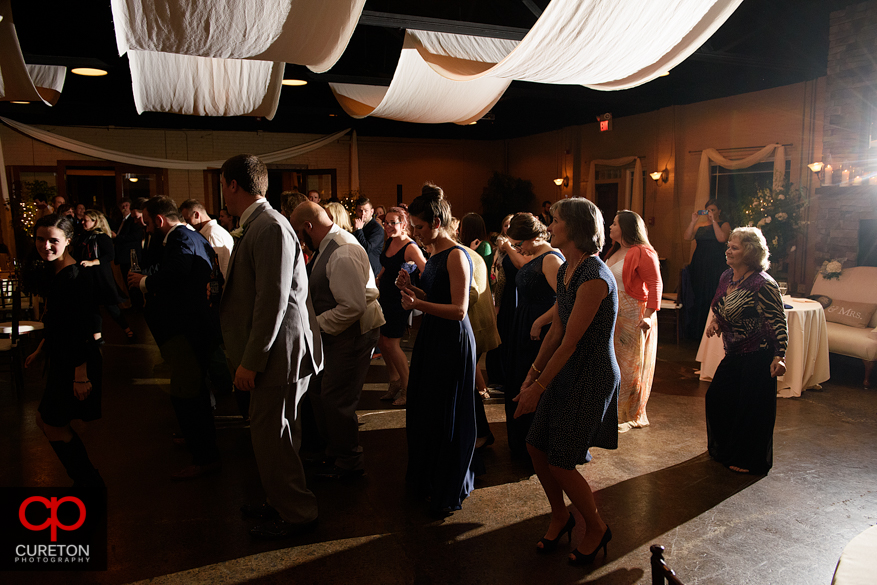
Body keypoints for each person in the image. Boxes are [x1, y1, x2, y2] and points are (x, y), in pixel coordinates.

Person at [218, 154, 323, 539]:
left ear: (232, 184)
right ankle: (283, 500)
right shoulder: (263, 224)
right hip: (279, 353)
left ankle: (297, 512)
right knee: (279, 436)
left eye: (223, 185)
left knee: (273, 437)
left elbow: (273, 300)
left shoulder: (270, 226)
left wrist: (250, 361)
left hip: (278, 355)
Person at [514, 198, 619, 566]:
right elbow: (556, 330)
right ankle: (561, 515)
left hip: (591, 374)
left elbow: (572, 341)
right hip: (564, 370)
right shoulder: (566, 270)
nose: (550, 226)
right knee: (536, 447)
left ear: (573, 228)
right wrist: (531, 374)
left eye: (555, 221)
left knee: (561, 460)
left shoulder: (594, 276)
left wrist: (537, 389)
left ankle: (596, 526)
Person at [127, 197, 221, 481]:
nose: (144, 226)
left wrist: (144, 283)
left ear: (158, 220)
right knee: (189, 391)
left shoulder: (180, 237)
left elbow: (178, 271)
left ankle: (204, 456)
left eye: (146, 221)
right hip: (190, 329)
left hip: (187, 331)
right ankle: (197, 444)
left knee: (191, 394)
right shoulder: (187, 235)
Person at [396, 183, 476, 516]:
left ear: (437, 224)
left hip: (452, 340)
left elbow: (459, 310)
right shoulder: (433, 255)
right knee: (424, 408)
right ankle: (428, 478)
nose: (414, 232)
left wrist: (418, 304)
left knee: (445, 412)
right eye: (413, 226)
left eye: (419, 227)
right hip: (433, 337)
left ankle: (447, 482)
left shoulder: (456, 254)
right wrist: (412, 288)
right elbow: (435, 299)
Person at [291, 202, 384, 480]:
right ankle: (335, 451)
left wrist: (310, 327)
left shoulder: (342, 251)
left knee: (337, 399)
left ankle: (349, 461)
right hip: (337, 335)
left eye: (299, 232)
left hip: (353, 335)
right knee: (322, 393)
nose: (298, 240)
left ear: (308, 227)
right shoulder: (327, 246)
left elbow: (352, 307)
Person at [25, 214, 104, 488]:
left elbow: (83, 327)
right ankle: (86, 481)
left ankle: (89, 483)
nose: (45, 245)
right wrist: (40, 349)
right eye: (40, 239)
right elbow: (57, 322)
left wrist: (80, 375)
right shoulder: (55, 272)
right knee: (45, 420)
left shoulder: (76, 276)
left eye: (53, 241)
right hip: (62, 357)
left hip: (75, 361)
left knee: (53, 423)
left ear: (68, 241)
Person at [705, 227, 787, 475]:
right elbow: (725, 307)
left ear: (749, 252)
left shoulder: (763, 283)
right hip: (733, 352)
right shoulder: (727, 277)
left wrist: (779, 355)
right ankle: (728, 448)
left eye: (734, 247)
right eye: (728, 246)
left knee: (750, 410)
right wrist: (718, 321)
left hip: (758, 354)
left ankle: (748, 458)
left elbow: (778, 320)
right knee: (719, 400)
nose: (728, 250)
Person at [504, 213, 563, 457]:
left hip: (540, 327)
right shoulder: (536, 255)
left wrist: (540, 321)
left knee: (532, 380)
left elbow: (565, 299)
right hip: (525, 321)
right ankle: (523, 442)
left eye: (520, 243)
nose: (518, 248)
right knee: (518, 376)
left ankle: (537, 445)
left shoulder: (551, 259)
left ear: (535, 237)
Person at [603, 211, 662, 432]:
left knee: (630, 367)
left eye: (615, 223)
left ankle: (627, 415)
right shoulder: (615, 250)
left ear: (627, 227)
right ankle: (610, 410)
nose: (610, 226)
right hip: (612, 315)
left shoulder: (643, 252)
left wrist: (648, 315)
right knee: (613, 362)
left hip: (633, 316)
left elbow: (655, 285)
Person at [375, 206, 426, 405]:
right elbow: (387, 265)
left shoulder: (410, 246)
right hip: (384, 296)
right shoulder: (390, 242)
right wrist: (378, 278)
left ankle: (408, 388)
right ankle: (394, 381)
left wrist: (414, 286)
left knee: (391, 343)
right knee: (381, 340)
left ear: (404, 224)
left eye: (392, 222)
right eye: (386, 222)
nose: (387, 226)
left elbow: (425, 270)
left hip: (399, 300)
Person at [76, 210, 135, 341]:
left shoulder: (102, 237)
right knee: (92, 306)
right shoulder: (84, 236)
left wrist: (92, 262)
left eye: (86, 220)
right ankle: (97, 335)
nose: (83, 222)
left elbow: (110, 255)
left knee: (111, 306)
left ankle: (127, 329)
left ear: (95, 221)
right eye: (83, 220)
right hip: (87, 276)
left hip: (101, 275)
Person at [683, 198, 731, 339]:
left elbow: (722, 238)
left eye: (713, 210)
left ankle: (712, 326)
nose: (710, 212)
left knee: (712, 293)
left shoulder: (724, 224)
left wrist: (714, 220)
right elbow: (687, 237)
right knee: (698, 293)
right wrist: (693, 221)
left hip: (715, 264)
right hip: (699, 263)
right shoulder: (700, 225)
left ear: (719, 211)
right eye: (708, 210)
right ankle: (695, 331)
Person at [179, 199, 234, 279]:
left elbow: (217, 268)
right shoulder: (214, 231)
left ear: (196, 215)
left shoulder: (211, 234)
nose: (187, 224)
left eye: (187, 220)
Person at [114, 197, 144, 289]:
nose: (124, 208)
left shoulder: (134, 220)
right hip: (122, 256)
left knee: (134, 284)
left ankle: (137, 303)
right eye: (122, 206)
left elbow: (135, 236)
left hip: (132, 256)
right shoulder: (119, 221)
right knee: (127, 283)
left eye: (126, 205)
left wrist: (117, 237)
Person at [352, 196, 385, 279]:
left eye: (366, 211)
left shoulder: (377, 229)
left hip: (372, 271)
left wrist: (359, 230)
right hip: (359, 269)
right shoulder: (358, 225)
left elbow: (366, 248)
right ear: (356, 211)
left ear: (372, 211)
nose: (363, 214)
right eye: (360, 211)